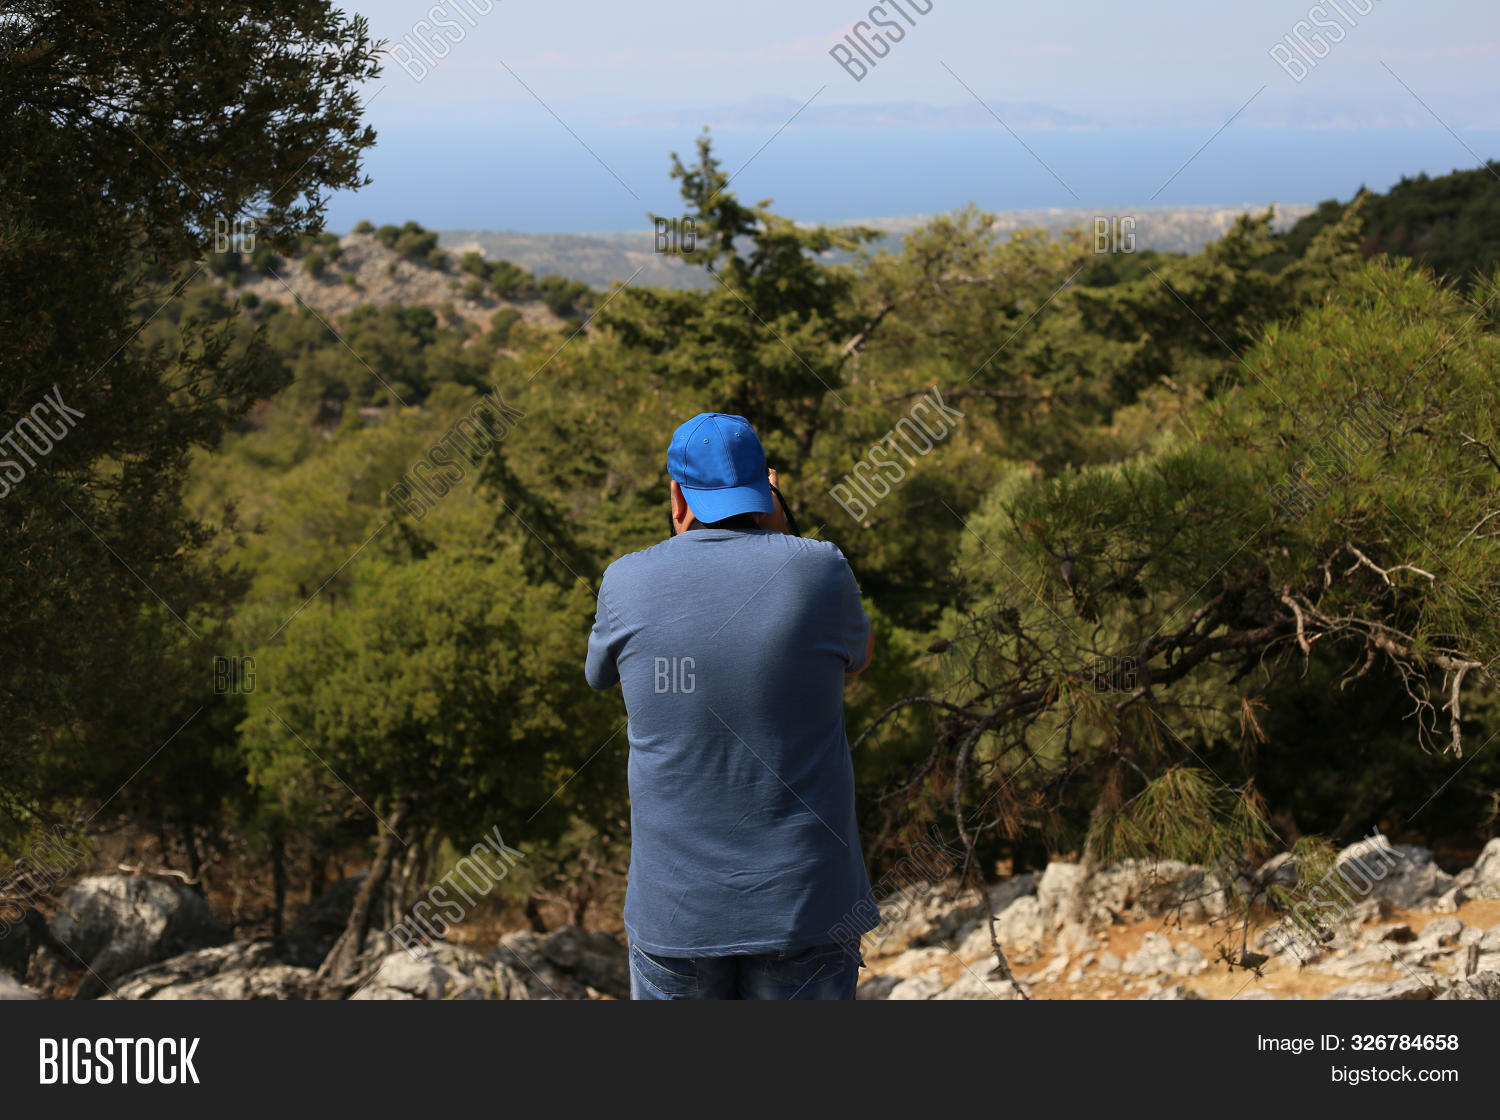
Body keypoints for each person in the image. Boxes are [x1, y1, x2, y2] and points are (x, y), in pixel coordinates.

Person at [585, 412, 879, 999]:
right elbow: (860, 656)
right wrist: (781, 518)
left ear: (676, 495)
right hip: (807, 907)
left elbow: (601, 676)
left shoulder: (624, 581)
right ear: (766, 491)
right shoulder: (822, 568)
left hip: (676, 915)